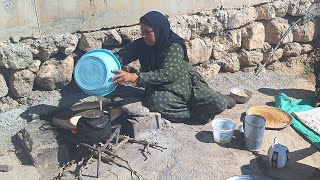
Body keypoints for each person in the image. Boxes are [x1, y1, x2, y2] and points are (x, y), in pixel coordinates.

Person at [111, 11, 227, 123]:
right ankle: (196, 113)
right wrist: (102, 64)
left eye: (147, 32)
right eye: (142, 31)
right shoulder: (142, 45)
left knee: (219, 103)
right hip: (161, 88)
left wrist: (134, 77)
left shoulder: (174, 46)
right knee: (155, 103)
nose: (144, 35)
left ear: (158, 30)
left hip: (187, 84)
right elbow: (120, 57)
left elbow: (167, 74)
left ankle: (212, 103)